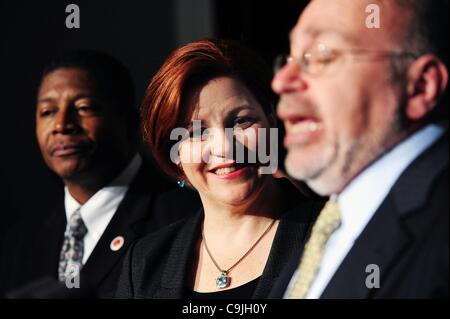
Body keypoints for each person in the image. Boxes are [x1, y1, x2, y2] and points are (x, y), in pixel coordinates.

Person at [116, 39, 324, 299]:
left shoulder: (331, 233)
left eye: (241, 121)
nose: (224, 147)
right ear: (175, 155)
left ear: (271, 124)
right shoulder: (145, 262)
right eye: (197, 132)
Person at [271, 0, 448, 298]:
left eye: (322, 55)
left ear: (420, 85)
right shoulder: (325, 227)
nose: (281, 81)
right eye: (289, 59)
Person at [0, 50, 200, 298]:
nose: (62, 125)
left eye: (84, 108)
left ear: (130, 123)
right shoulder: (21, 242)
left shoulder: (186, 221)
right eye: (47, 112)